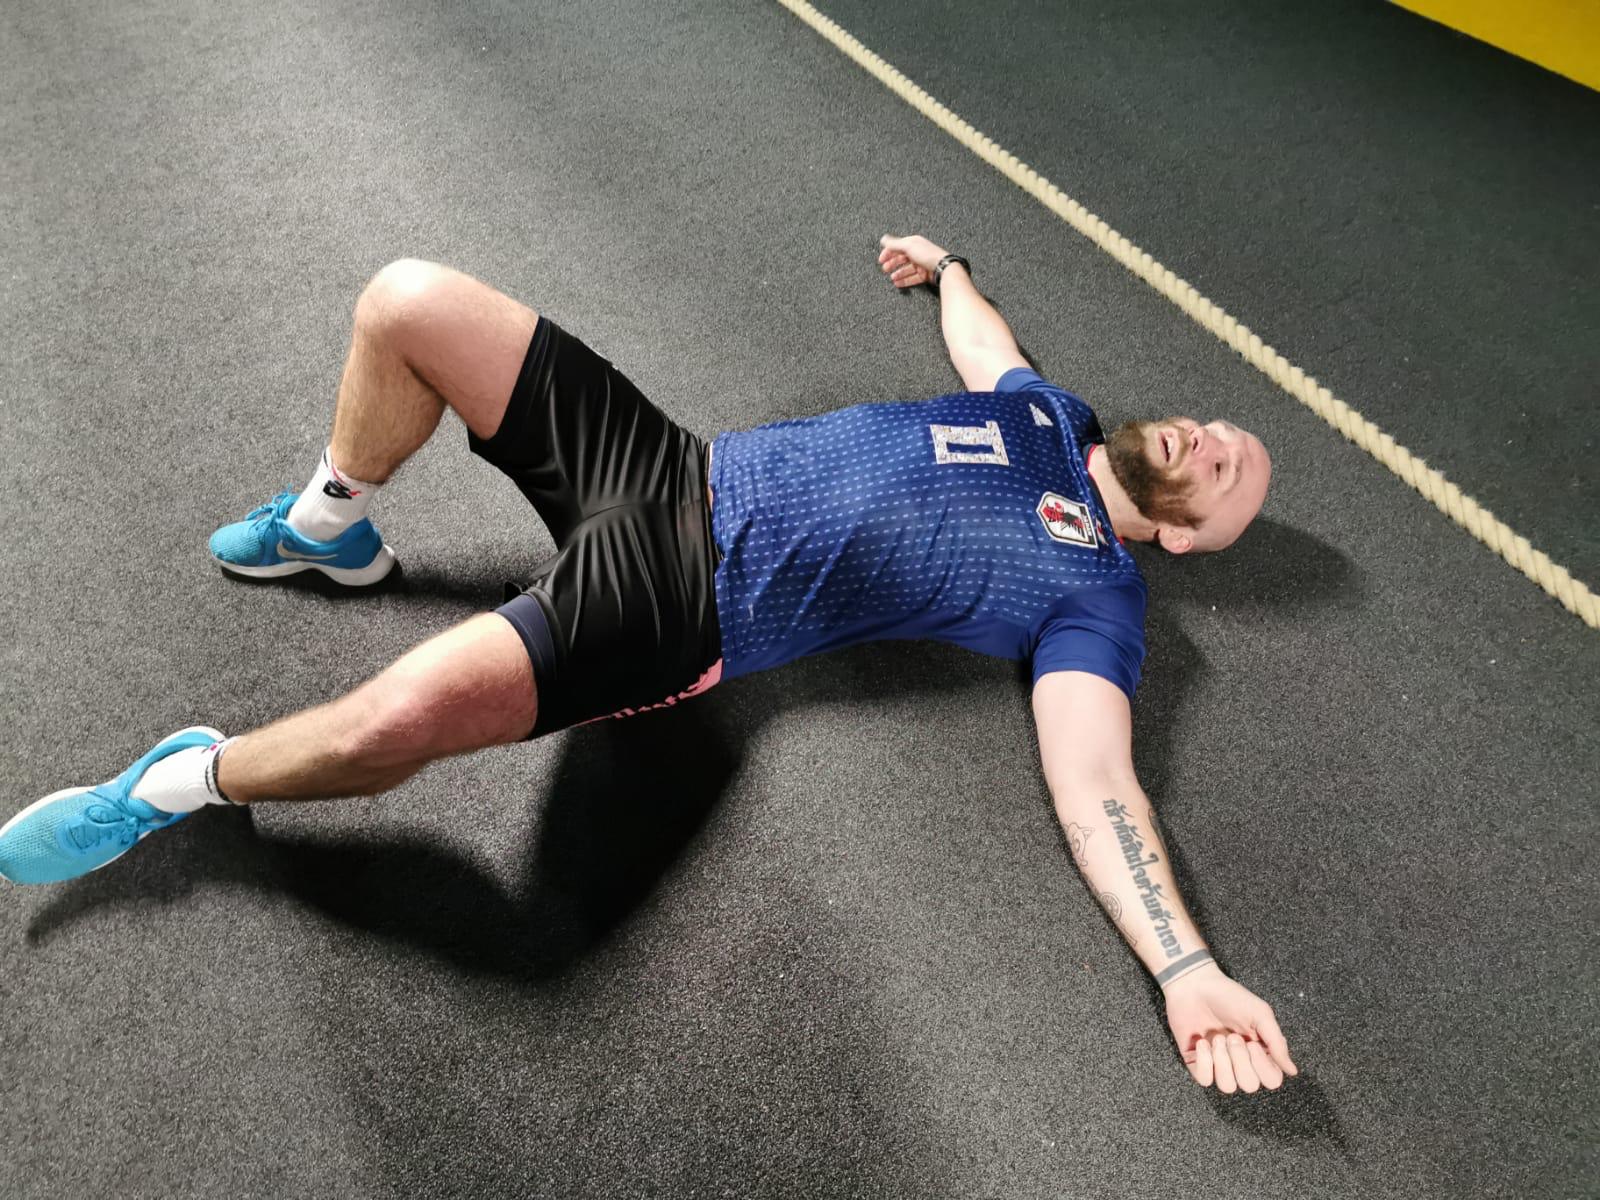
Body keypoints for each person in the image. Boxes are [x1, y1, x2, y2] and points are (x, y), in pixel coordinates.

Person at [1, 233, 1293, 1095]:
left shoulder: (1094, 596)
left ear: (1185, 540)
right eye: (1220, 426)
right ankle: (327, 524)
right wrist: (947, 265)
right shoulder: (1050, 416)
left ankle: (178, 783)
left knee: (386, 727)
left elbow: (1098, 784)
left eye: (1230, 470)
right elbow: (989, 347)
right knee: (406, 299)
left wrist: (1185, 968)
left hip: (677, 605)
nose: (1212, 436)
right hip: (665, 464)